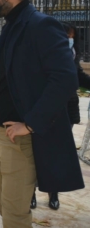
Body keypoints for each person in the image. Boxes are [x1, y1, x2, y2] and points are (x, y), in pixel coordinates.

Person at [0, 0, 84, 228]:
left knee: (16, 215)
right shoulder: (10, 25)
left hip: (17, 139)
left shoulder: (41, 25)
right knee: (5, 207)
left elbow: (65, 79)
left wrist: (29, 124)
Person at [31, 21, 90, 211]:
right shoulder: (42, 54)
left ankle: (53, 192)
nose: (70, 39)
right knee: (34, 151)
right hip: (43, 108)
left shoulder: (71, 55)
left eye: (72, 36)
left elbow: (78, 76)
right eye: (67, 36)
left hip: (67, 108)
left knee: (56, 152)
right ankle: (30, 191)